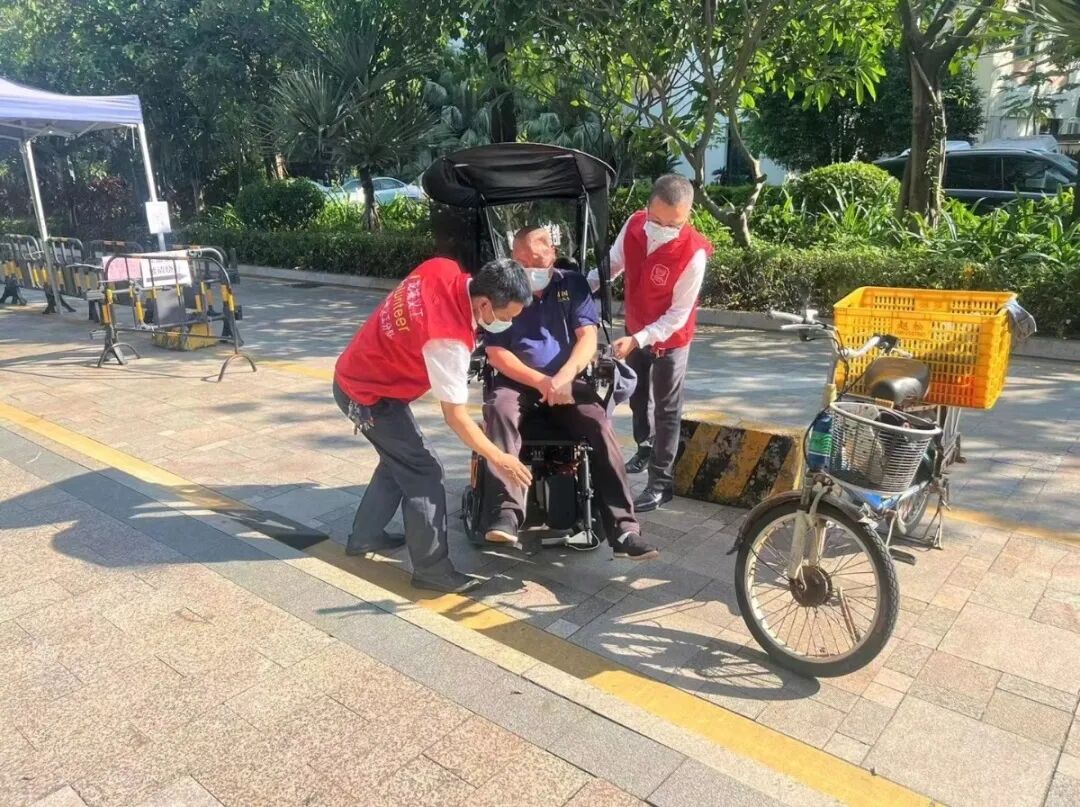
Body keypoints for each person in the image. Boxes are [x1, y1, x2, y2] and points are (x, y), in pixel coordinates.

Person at [333, 257, 534, 593]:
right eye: (506, 316)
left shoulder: (442, 268)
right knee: (424, 471)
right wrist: (500, 457)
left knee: (399, 460)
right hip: (367, 396)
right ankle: (432, 570)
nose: (508, 323)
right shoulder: (449, 342)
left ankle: (365, 537)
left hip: (361, 375)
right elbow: (455, 417)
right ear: (485, 304)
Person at [482, 226, 658, 560]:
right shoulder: (502, 288)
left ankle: (624, 529)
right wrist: (542, 382)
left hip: (568, 381)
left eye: (536, 262)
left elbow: (587, 338)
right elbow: (496, 352)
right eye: (521, 262)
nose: (529, 270)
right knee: (499, 410)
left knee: (599, 425)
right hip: (517, 381)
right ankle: (506, 513)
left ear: (552, 253)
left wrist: (562, 378)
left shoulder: (572, 284)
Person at [592, 174, 713, 513]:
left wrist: (639, 339)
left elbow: (678, 315)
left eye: (673, 224)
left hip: (669, 340)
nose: (663, 229)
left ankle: (661, 483)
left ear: (687, 216)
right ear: (647, 208)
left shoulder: (693, 254)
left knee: (667, 409)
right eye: (657, 220)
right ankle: (644, 447)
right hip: (635, 327)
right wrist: (583, 286)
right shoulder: (634, 225)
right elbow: (612, 264)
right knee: (637, 395)